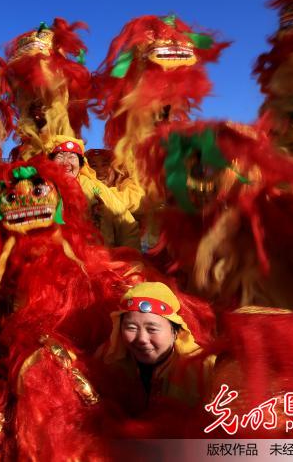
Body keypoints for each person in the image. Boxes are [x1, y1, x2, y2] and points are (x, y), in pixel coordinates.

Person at [97, 282, 212, 419]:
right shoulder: (107, 359)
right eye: (131, 328)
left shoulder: (205, 369)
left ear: (175, 332)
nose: (142, 339)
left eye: (152, 329)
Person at [47, 136, 140, 249]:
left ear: (81, 165)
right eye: (60, 156)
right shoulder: (42, 188)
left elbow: (127, 226)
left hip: (101, 261)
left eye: (72, 157)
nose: (66, 163)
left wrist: (130, 258)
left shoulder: (97, 189)